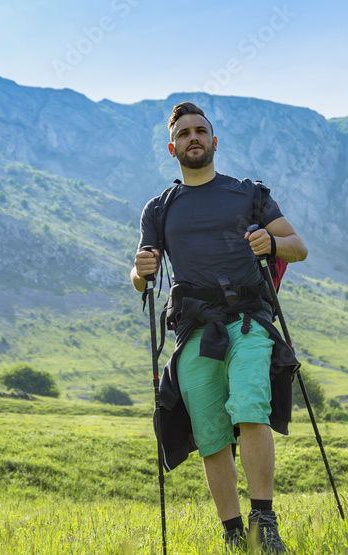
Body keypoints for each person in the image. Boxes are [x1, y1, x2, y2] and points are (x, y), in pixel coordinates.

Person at [131, 102, 308, 552]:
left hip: (248, 319)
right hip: (193, 329)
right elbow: (140, 279)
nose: (194, 138)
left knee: (250, 406)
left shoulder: (248, 194)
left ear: (214, 141)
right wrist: (141, 269)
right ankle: (233, 534)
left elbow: (298, 247)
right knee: (209, 432)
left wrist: (272, 240)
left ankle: (263, 524)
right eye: (185, 133)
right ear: (173, 148)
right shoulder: (159, 209)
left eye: (201, 131)